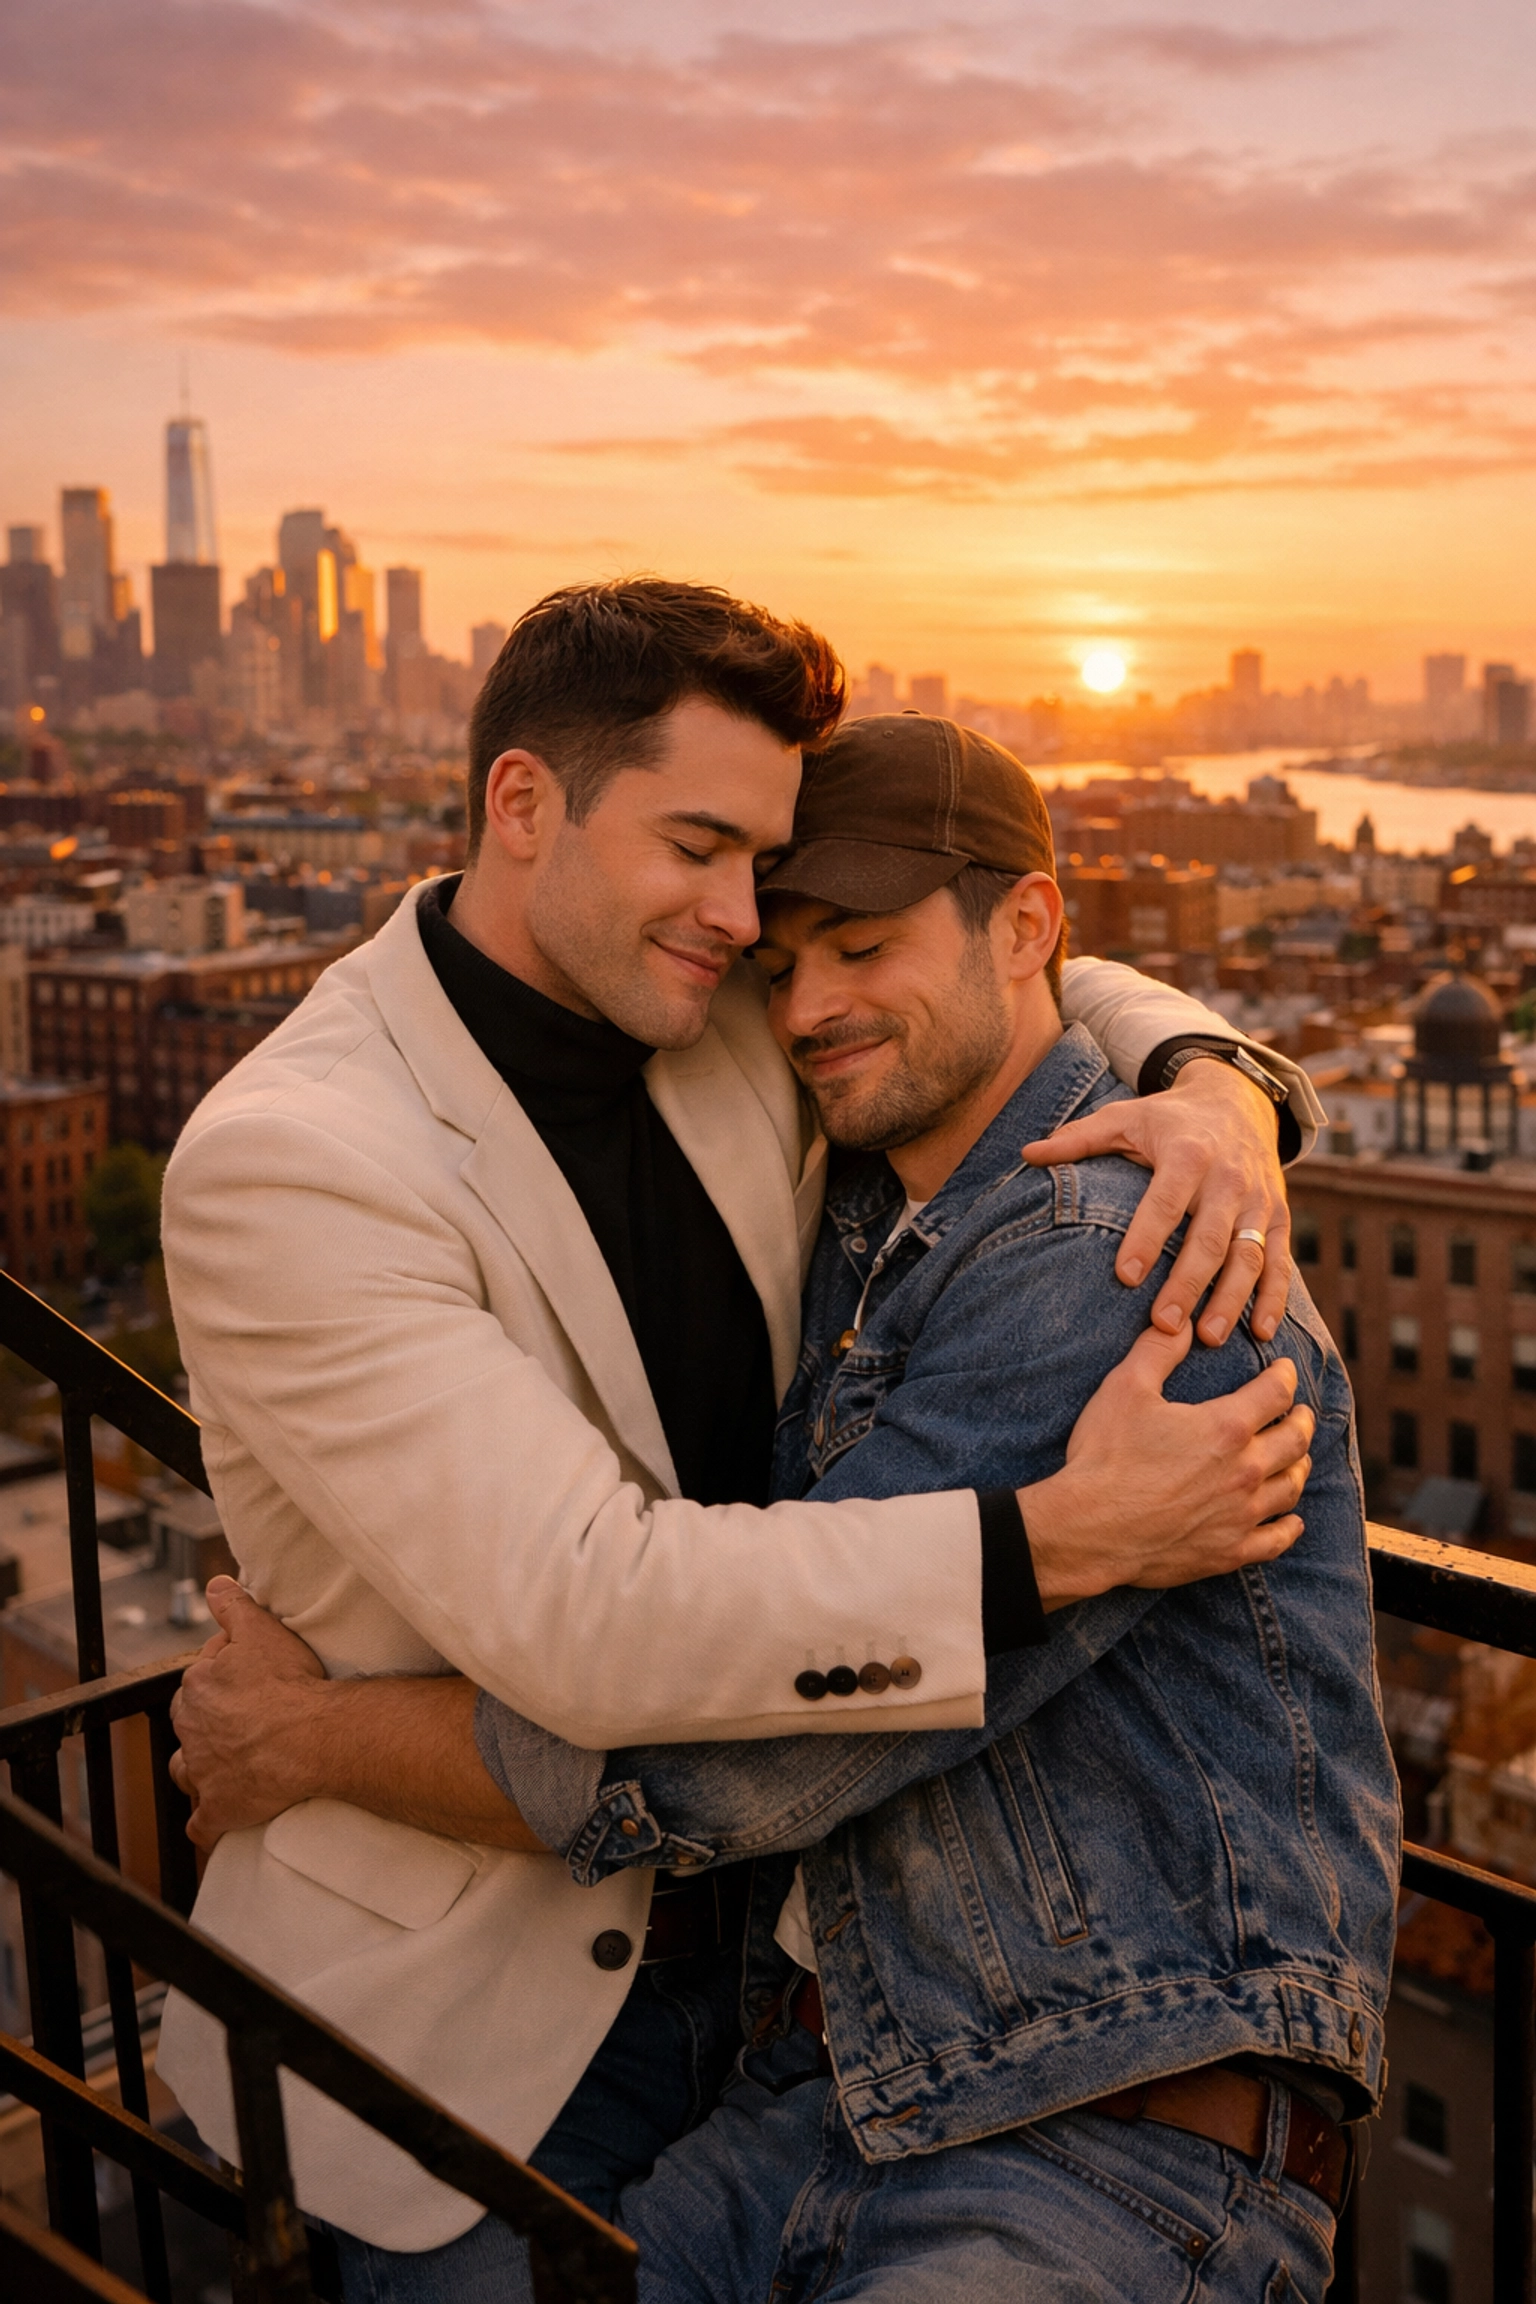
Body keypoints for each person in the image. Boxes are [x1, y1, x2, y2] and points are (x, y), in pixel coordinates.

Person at [159, 583, 1319, 2284]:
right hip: (465, 2027)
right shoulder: (298, 1159)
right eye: (699, 847)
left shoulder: (711, 1009)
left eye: (760, 870)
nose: (741, 919)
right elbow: (593, 1614)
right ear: (522, 802)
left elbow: (998, 967)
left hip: (793, 2001)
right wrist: (1044, 1546)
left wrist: (1219, 1086)